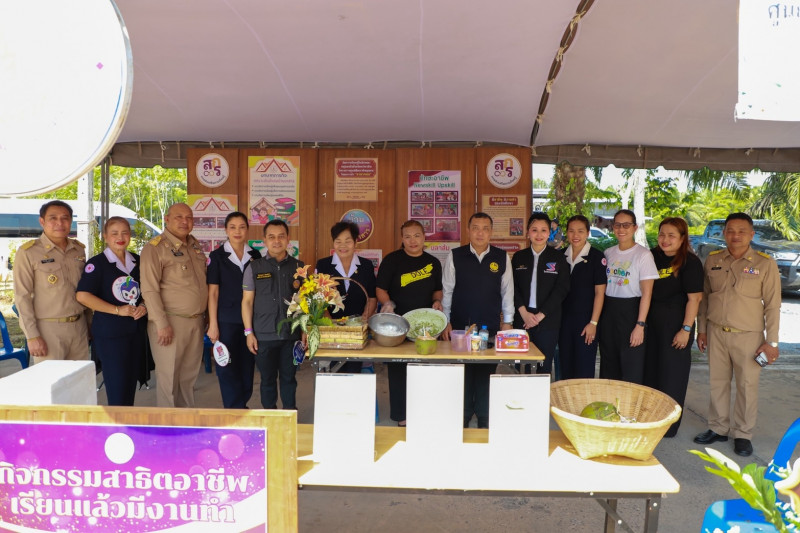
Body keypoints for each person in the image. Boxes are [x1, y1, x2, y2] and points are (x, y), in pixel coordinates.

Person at [694, 213, 781, 457]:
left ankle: (743, 434)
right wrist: (702, 330)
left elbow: (773, 305)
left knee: (746, 385)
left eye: (742, 231)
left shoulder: (764, 263)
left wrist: (772, 342)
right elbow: (705, 298)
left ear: (752, 234)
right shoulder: (713, 260)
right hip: (716, 332)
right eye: (731, 230)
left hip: (749, 336)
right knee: (718, 382)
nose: (735, 235)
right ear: (724, 233)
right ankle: (718, 428)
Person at [441, 213, 513, 429]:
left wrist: (508, 321)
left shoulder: (501, 257)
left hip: (489, 324)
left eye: (485, 228)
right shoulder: (456, 256)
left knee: (486, 371)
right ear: (468, 230)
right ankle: (463, 413)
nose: (480, 233)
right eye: (475, 228)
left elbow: (507, 292)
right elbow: (447, 290)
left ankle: (484, 414)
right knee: (462, 369)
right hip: (461, 325)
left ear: (491, 232)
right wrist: (445, 320)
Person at [140, 202, 208, 408]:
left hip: (195, 322)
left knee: (188, 378)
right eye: (179, 217)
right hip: (170, 322)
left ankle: (185, 419)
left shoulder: (194, 245)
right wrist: (161, 324)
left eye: (189, 217)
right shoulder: (155, 248)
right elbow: (149, 289)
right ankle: (167, 425)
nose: (184, 221)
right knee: (169, 379)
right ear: (167, 219)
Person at [376, 220, 443, 426]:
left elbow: (437, 290)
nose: (412, 241)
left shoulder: (433, 262)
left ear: (424, 237)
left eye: (416, 236)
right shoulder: (392, 260)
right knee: (398, 369)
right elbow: (380, 289)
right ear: (402, 239)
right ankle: (401, 416)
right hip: (397, 325)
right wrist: (387, 303)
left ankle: (422, 411)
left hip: (425, 326)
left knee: (423, 370)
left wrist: (437, 302)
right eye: (407, 236)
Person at [76, 217, 148, 406]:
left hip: (135, 331)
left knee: (130, 382)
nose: (120, 237)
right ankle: (117, 421)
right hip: (111, 334)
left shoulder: (138, 261)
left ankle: (127, 418)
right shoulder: (97, 264)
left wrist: (144, 306)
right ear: (105, 236)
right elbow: (83, 295)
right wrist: (117, 310)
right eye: (114, 233)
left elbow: (148, 290)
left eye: (125, 233)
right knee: (117, 385)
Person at [644, 217, 703, 438]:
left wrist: (686, 330)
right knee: (651, 372)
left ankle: (669, 425)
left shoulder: (690, 262)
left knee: (672, 376)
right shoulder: (651, 256)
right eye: (662, 234)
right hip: (652, 324)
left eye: (671, 235)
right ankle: (650, 420)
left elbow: (695, 299)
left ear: (682, 238)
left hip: (676, 325)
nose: (665, 239)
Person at [13, 200, 89, 362]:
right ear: (42, 221)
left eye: (65, 218)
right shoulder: (29, 252)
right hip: (48, 330)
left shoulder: (78, 249)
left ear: (71, 221)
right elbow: (22, 296)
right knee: (51, 378)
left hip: (79, 327)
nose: (59, 223)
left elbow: (85, 289)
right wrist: (32, 336)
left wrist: (90, 325)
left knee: (79, 377)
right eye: (53, 218)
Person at [242, 219, 304, 410]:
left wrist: (305, 330)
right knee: (267, 380)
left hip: (291, 334)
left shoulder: (299, 267)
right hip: (263, 335)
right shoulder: (254, 267)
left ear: (288, 239)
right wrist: (249, 332)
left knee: (289, 379)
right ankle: (270, 418)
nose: (276, 241)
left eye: (281, 236)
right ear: (264, 240)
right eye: (271, 237)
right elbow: (247, 302)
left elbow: (304, 303)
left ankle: (290, 416)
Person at [206, 212, 262, 409]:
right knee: (227, 366)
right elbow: (213, 293)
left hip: (250, 321)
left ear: (247, 229)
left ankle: (241, 405)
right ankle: (234, 409)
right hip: (226, 321)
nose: (237, 231)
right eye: (232, 227)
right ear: (226, 230)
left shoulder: (255, 256)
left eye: (242, 227)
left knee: (247, 366)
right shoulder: (217, 256)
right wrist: (213, 324)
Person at [598, 209, 659, 384]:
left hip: (632, 313)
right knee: (609, 366)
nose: (621, 229)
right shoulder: (608, 253)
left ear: (635, 228)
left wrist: (640, 325)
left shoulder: (643, 255)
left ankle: (629, 403)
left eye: (626, 225)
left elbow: (647, 293)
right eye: (617, 225)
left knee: (631, 368)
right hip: (609, 314)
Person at [511, 212, 570, 375]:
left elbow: (561, 289)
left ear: (549, 233)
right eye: (534, 230)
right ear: (527, 232)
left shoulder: (558, 258)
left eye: (544, 230)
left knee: (543, 366)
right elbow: (512, 287)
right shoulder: (519, 257)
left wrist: (540, 315)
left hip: (547, 322)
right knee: (520, 366)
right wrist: (524, 313)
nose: (539, 234)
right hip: (522, 320)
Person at [315, 221, 377, 373]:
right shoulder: (323, 265)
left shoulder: (366, 265)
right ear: (333, 243)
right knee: (334, 369)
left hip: (357, 330)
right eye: (338, 241)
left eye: (348, 241)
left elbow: (372, 297)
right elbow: (318, 298)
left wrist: (363, 320)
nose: (343, 246)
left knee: (354, 369)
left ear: (355, 242)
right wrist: (329, 322)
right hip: (331, 330)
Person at [558, 215, 607, 379]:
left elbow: (600, 293)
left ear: (587, 232)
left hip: (586, 321)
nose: (575, 235)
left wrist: (593, 323)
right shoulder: (560, 256)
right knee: (565, 367)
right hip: (563, 321)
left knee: (584, 369)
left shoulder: (597, 257)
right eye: (571, 231)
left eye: (580, 231)